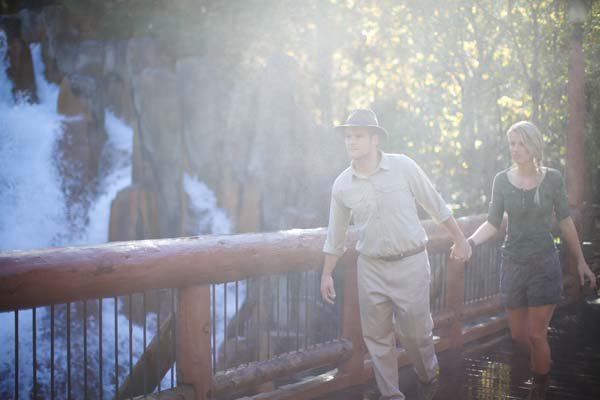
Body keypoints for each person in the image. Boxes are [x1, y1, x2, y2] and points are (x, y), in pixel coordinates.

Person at [320, 109, 471, 400]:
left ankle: (428, 378)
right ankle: (391, 396)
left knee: (417, 334)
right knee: (377, 340)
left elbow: (435, 204)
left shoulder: (403, 166)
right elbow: (335, 235)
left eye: (358, 136)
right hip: (371, 268)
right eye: (348, 136)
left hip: (411, 262)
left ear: (375, 139)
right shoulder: (342, 184)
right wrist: (327, 272)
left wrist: (460, 238)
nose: (351, 141)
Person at [466, 120, 597, 399]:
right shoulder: (501, 180)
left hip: (543, 264)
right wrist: (470, 242)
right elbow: (492, 222)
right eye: (512, 143)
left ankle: (539, 386)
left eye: (521, 143)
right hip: (512, 263)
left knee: (537, 335)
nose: (515, 149)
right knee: (518, 336)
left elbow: (565, 221)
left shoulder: (552, 179)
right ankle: (542, 362)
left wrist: (582, 262)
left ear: (534, 145)